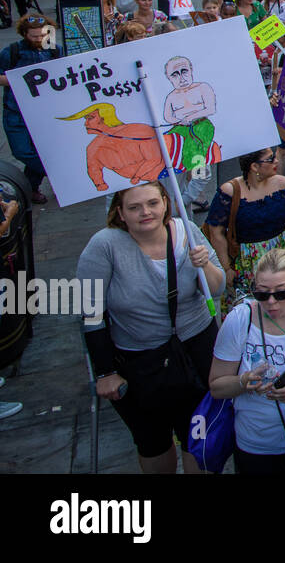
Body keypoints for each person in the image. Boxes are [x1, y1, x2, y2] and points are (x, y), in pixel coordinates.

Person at [78, 182, 226, 473]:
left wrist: (204, 265)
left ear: (165, 203)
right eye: (134, 207)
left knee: (198, 432)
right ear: (119, 213)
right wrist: (105, 372)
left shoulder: (187, 230)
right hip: (140, 361)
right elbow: (90, 313)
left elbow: (217, 289)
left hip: (196, 351)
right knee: (152, 439)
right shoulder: (103, 246)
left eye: (152, 203)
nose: (146, 212)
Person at [208, 249, 285, 474]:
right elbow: (216, 386)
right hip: (256, 445)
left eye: (281, 293)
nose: (271, 302)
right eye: (261, 294)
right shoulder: (241, 319)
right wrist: (243, 382)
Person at [204, 148, 285, 308]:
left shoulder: (283, 183)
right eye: (270, 159)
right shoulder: (229, 191)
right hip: (247, 263)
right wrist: (226, 268)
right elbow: (216, 232)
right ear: (254, 167)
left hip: (284, 253)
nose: (276, 161)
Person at [0, 15, 58, 202]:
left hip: (44, 110)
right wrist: (19, 81)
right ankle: (59, 175)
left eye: (42, 35)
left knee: (39, 149)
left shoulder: (54, 50)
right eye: (34, 36)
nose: (39, 39)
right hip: (16, 110)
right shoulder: (12, 52)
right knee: (21, 151)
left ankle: (31, 187)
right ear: (24, 34)